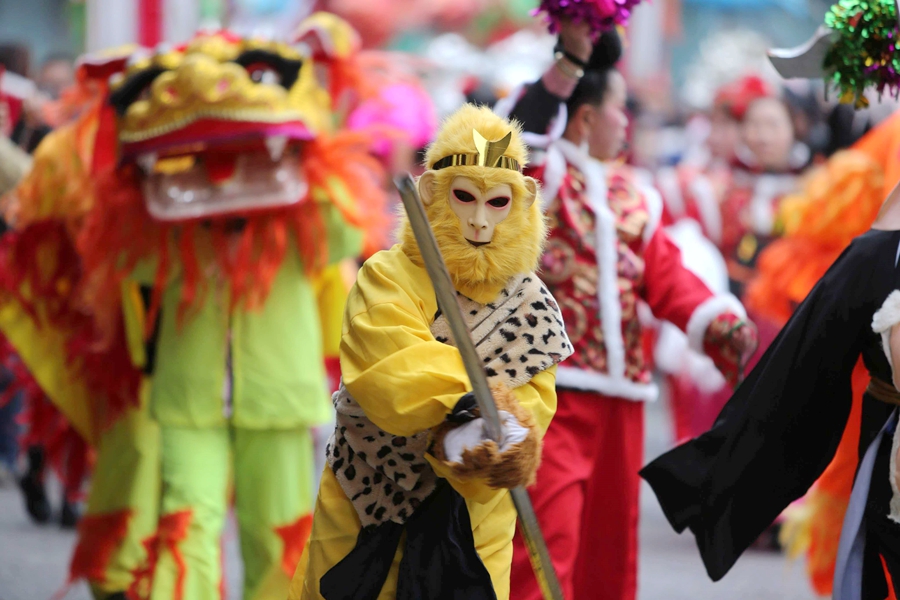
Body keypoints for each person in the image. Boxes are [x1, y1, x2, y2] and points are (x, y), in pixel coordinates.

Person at [503, 22, 758, 600]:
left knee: (609, 553)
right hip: (549, 395)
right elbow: (516, 136)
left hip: (622, 405)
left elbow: (667, 276)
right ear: (586, 118)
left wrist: (719, 322)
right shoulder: (540, 179)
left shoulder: (635, 194)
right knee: (543, 549)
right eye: (620, 109)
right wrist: (568, 64)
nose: (627, 122)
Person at [289, 103, 572, 600]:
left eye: (497, 203)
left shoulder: (534, 305)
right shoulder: (386, 275)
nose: (479, 222)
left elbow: (530, 410)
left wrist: (498, 442)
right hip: (365, 503)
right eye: (464, 198)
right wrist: (470, 408)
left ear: (523, 202)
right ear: (431, 195)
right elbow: (389, 369)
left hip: (474, 526)